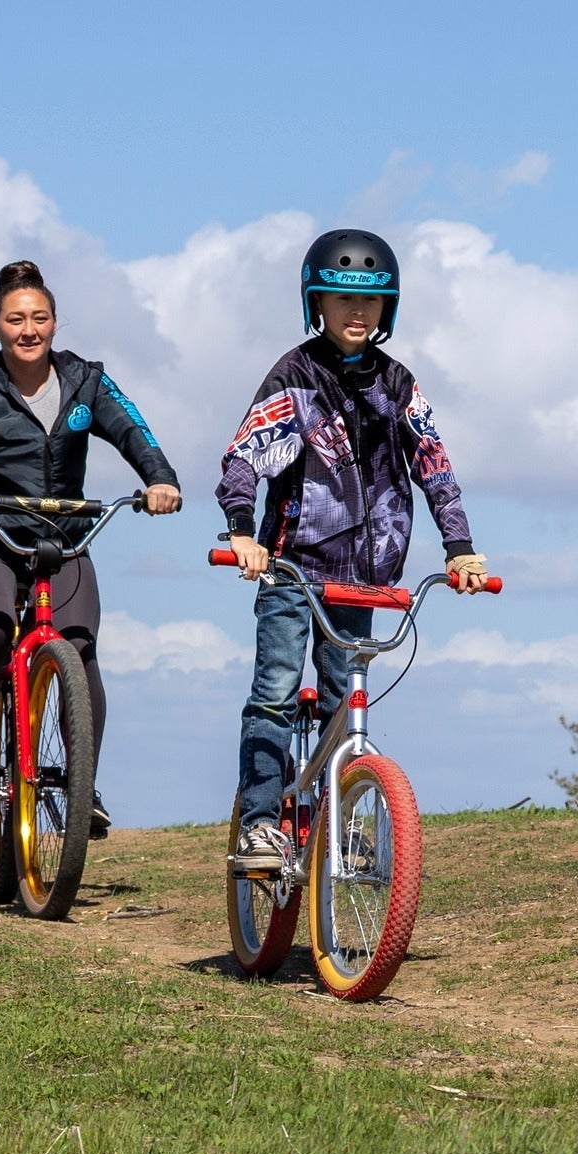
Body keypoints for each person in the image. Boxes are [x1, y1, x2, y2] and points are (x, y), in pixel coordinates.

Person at [218, 228, 489, 869]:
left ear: (388, 309)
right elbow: (244, 458)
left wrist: (461, 548)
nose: (356, 313)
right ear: (317, 302)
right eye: (341, 299)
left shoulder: (397, 384)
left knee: (346, 699)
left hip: (362, 578)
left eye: (370, 301)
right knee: (276, 691)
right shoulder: (295, 375)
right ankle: (259, 823)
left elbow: (434, 466)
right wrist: (241, 532)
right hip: (292, 567)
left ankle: (340, 821)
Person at [0, 261, 181, 837]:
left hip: (63, 540)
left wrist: (161, 479)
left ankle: (82, 789)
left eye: (40, 319)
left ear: (55, 323)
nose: (28, 330)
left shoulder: (86, 382)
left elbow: (135, 432)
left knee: (79, 651)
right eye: (15, 320)